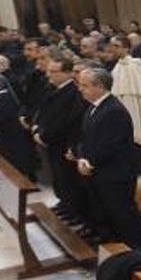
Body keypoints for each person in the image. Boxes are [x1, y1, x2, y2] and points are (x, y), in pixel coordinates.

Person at [71, 67, 141, 247]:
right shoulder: (93, 108)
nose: (80, 88)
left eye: (84, 85)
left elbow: (111, 145)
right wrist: (81, 156)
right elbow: (85, 138)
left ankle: (136, 251)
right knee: (105, 212)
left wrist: (88, 161)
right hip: (100, 171)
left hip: (116, 174)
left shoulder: (114, 111)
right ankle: (114, 246)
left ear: (100, 86)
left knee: (123, 215)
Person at [32, 53, 88, 222]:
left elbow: (66, 122)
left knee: (68, 178)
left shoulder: (73, 92)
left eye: (53, 71)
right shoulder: (52, 89)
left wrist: (45, 136)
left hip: (65, 143)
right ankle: (64, 203)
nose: (48, 74)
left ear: (68, 73)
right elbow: (44, 111)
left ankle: (74, 210)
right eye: (49, 71)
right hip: (52, 142)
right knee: (58, 176)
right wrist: (38, 126)